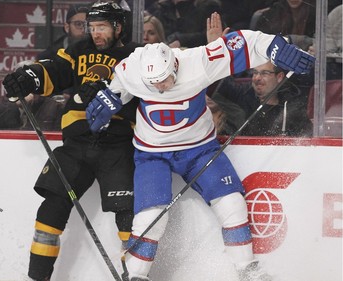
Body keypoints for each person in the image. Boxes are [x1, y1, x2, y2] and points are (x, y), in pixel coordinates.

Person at [84, 24, 315, 281]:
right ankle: (136, 275)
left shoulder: (199, 62)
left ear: (174, 66)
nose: (160, 88)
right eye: (153, 84)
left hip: (199, 148)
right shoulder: (131, 69)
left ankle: (247, 269)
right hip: (152, 153)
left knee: (232, 203)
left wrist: (274, 47)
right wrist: (108, 99)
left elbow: (244, 42)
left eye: (164, 80)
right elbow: (119, 88)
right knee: (151, 217)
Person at [2, 2, 142, 280]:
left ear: (118, 26)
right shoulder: (78, 50)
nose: (95, 33)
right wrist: (28, 77)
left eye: (101, 27)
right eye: (92, 27)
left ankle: (137, 273)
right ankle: (37, 277)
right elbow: (54, 71)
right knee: (50, 210)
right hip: (76, 145)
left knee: (129, 216)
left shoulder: (135, 55)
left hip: (117, 144)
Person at [211, 61, 313, 137]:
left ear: (279, 77)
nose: (257, 78)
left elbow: (307, 139)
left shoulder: (292, 106)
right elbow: (215, 84)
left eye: (264, 73)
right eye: (255, 73)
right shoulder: (241, 96)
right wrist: (217, 55)